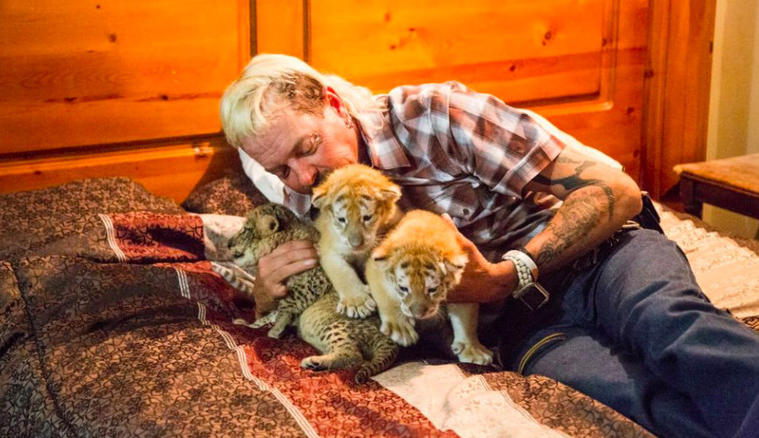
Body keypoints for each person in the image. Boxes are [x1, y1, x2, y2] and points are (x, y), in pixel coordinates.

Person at [219, 53, 759, 438]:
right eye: (280, 169)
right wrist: (265, 295)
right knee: (625, 397)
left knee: (671, 325)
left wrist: (505, 276)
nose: (304, 176)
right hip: (524, 329)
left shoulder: (435, 116)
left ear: (333, 104)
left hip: (603, 258)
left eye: (307, 148)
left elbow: (613, 191)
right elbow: (324, 305)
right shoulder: (305, 206)